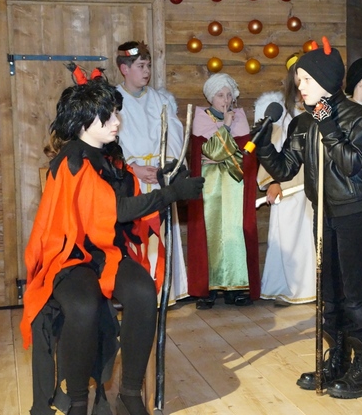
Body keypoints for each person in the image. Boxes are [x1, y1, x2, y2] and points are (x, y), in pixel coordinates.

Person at [19, 72, 204, 415]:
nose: (118, 121)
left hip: (108, 252)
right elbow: (116, 210)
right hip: (71, 254)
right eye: (109, 115)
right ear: (85, 120)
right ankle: (78, 400)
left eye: (117, 113)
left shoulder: (111, 157)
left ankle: (130, 393)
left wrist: (166, 177)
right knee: (83, 306)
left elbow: (126, 203)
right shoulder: (74, 160)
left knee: (143, 292)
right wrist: (171, 195)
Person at [255, 37, 362, 399]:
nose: (301, 87)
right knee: (330, 292)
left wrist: (328, 126)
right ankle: (338, 359)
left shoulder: (355, 115)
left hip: (355, 212)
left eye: (307, 80)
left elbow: (351, 163)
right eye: (299, 81)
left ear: (326, 80)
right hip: (323, 213)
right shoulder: (301, 122)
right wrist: (264, 146)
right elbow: (285, 168)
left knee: (356, 292)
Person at [115, 41, 189, 305]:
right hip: (131, 180)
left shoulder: (160, 100)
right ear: (124, 69)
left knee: (162, 233)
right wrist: (132, 167)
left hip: (157, 177)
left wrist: (164, 168)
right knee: (136, 235)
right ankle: (138, 295)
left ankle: (164, 291)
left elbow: (174, 134)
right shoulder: (115, 101)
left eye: (148, 66)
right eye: (140, 66)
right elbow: (111, 142)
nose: (146, 71)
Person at [187, 73, 260, 309]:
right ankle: (208, 288)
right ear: (211, 97)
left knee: (235, 231)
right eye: (220, 95)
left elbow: (245, 154)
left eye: (229, 95)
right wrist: (226, 127)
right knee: (210, 233)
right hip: (209, 186)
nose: (226, 100)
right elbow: (213, 152)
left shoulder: (240, 118)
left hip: (235, 183)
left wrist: (225, 147)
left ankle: (236, 286)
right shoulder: (201, 119)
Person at [255, 52, 316, 306]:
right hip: (288, 184)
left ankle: (312, 288)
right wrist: (274, 181)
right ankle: (286, 288)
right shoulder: (281, 111)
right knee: (288, 237)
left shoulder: (318, 108)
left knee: (310, 238)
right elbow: (274, 148)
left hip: (313, 183)